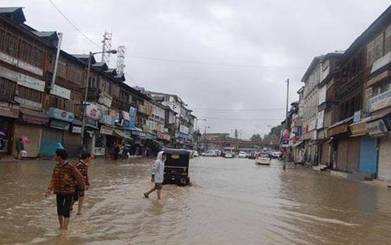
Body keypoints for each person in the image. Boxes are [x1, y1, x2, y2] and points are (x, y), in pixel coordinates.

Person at [46, 149, 84, 230]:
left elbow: (79, 177)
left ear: (59, 157)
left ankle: (65, 228)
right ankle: (61, 226)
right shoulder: (56, 166)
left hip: (69, 192)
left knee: (66, 210)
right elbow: (53, 178)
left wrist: (81, 188)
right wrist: (49, 189)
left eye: (55, 155)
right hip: (58, 191)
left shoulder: (70, 167)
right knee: (59, 210)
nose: (54, 156)